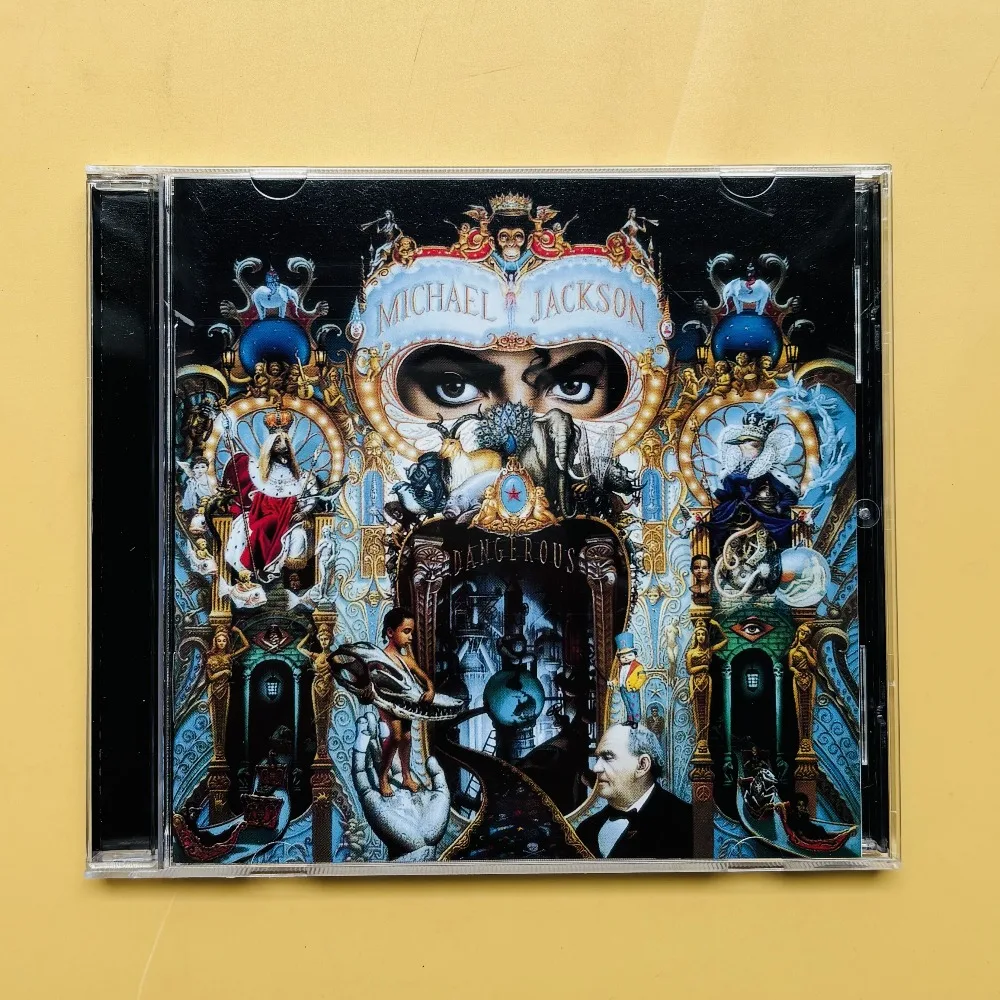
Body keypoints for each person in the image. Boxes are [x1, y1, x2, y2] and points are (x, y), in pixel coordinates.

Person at [576, 724, 692, 859]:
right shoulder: (587, 828)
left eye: (608, 757)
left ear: (642, 765)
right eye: (598, 759)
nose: (596, 768)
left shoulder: (687, 822)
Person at [222, 417, 315, 582]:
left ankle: (261, 568)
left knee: (267, 528)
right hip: (263, 511)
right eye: (277, 442)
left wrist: (304, 512)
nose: (282, 446)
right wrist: (229, 435)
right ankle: (254, 568)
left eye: (285, 442)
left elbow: (312, 495)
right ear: (270, 447)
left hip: (286, 514)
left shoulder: (300, 475)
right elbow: (241, 460)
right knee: (259, 527)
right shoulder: (261, 470)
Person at [377, 608, 435, 797]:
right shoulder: (380, 658)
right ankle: (383, 777)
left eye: (412, 633)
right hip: (387, 703)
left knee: (407, 738)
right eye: (406, 632)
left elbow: (424, 678)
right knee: (396, 737)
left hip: (404, 705)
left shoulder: (407, 660)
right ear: (390, 632)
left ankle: (406, 776)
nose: (410, 637)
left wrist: (430, 689)